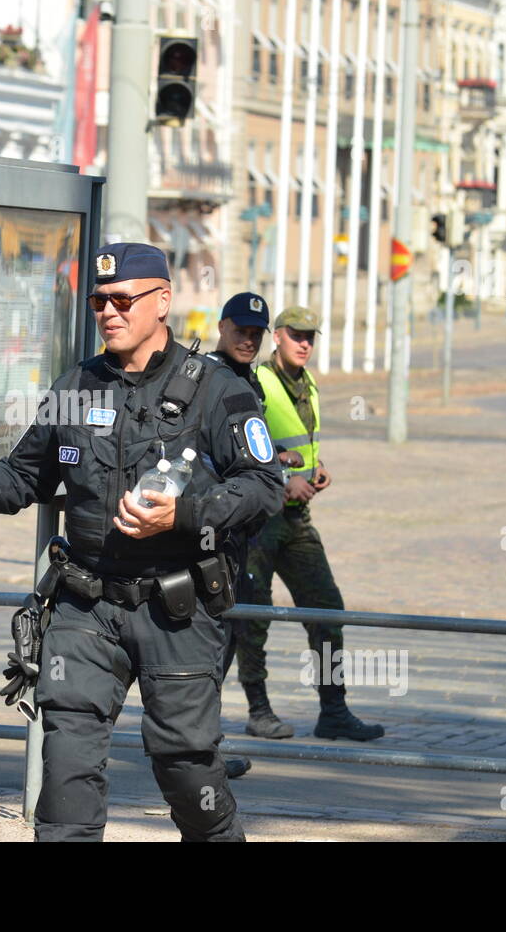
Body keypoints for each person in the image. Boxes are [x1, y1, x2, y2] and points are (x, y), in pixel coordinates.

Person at [0, 242, 283, 842]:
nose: (109, 312)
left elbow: (265, 488)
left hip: (176, 609)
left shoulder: (216, 390)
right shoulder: (76, 384)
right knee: (66, 767)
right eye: (98, 302)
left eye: (122, 300)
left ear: (162, 302)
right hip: (85, 607)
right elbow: (23, 476)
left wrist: (183, 515)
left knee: (186, 766)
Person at [239, 305, 384, 741]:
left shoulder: (308, 385)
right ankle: (258, 709)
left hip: (297, 520)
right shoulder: (258, 383)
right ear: (277, 337)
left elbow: (302, 445)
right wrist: (285, 482)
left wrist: (317, 471)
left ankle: (334, 710)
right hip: (259, 522)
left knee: (327, 610)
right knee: (252, 617)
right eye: (296, 335)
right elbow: (245, 448)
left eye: (311, 337)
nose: (305, 344)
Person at [206, 293, 306, 754]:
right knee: (212, 642)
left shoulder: (249, 380)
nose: (248, 339)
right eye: (240, 330)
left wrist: (279, 461)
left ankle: (207, 745)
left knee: (236, 629)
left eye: (255, 333)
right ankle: (197, 748)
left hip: (244, 529)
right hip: (212, 528)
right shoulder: (206, 375)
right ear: (222, 327)